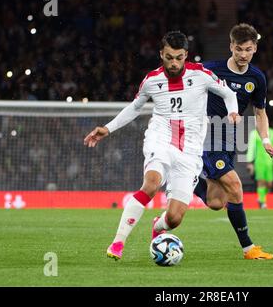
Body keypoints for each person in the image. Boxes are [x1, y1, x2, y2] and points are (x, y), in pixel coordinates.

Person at [84, 31, 239, 260]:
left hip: (190, 150)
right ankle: (118, 243)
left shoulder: (202, 75)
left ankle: (158, 226)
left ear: (186, 55)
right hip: (161, 138)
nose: (173, 63)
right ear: (161, 54)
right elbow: (135, 108)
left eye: (178, 57)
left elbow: (228, 93)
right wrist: (108, 128)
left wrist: (233, 111)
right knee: (151, 183)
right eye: (168, 57)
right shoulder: (151, 80)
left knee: (174, 218)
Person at [193, 23, 273, 259]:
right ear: (231, 46)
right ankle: (248, 248)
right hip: (208, 136)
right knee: (236, 187)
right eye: (238, 48)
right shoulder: (210, 69)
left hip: (229, 139)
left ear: (255, 49)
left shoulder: (257, 78)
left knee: (216, 202)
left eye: (248, 49)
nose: (242, 55)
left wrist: (266, 140)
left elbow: (260, 113)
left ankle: (186, 180)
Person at [246, 122, 273, 209]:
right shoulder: (254, 133)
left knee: (270, 184)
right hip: (259, 162)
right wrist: (249, 162)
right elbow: (251, 148)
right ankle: (262, 202)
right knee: (261, 182)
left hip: (270, 162)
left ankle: (261, 197)